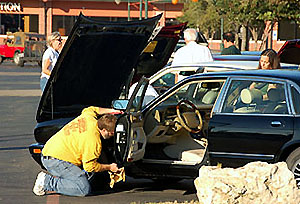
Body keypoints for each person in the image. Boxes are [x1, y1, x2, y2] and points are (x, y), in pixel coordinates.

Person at [33, 106, 121, 197]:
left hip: (50, 150)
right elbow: (89, 167)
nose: (112, 135)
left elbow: (92, 109)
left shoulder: (89, 117)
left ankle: (69, 178)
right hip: (55, 161)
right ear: (104, 130)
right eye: (112, 133)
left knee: (84, 178)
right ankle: (46, 182)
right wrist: (110, 167)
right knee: (83, 188)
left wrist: (113, 111)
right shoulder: (93, 141)